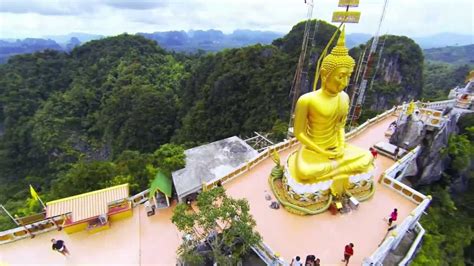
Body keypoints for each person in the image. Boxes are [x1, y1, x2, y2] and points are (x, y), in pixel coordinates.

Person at [287, 26, 374, 191]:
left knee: (367, 157)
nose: (345, 83)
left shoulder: (344, 97)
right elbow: (299, 134)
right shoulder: (307, 100)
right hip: (314, 150)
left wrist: (341, 145)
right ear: (324, 74)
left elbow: (340, 126)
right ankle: (338, 170)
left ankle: (335, 171)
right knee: (305, 171)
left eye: (349, 76)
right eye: (340, 76)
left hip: (337, 149)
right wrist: (323, 152)